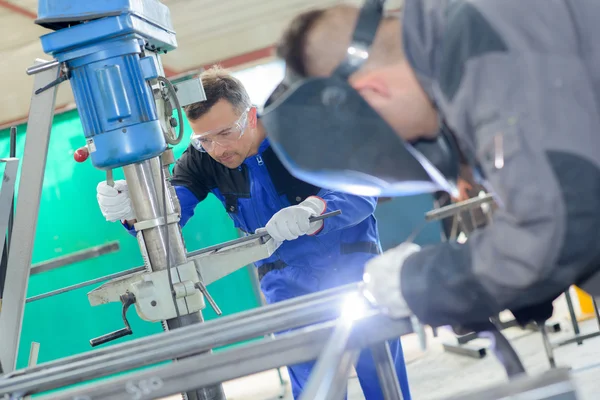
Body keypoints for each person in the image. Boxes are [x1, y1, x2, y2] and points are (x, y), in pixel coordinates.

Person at [267, 0, 600, 329]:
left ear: (373, 92)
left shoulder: (472, 44)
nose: (408, 146)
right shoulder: (456, 37)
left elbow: (563, 220)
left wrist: (419, 281)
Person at [96, 67, 412, 400]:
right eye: (204, 139)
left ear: (249, 115)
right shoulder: (202, 158)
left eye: (225, 132)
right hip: (286, 285)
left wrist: (314, 210)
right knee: (315, 386)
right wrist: (132, 215)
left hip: (352, 268)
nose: (217, 148)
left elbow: (362, 189)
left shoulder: (301, 130)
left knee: (380, 372)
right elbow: (169, 218)